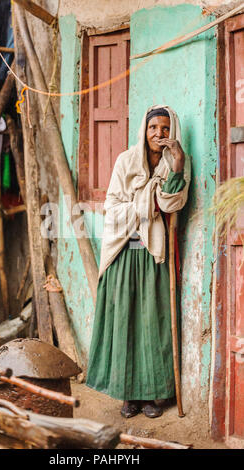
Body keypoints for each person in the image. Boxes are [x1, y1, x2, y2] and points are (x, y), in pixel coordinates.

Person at [86, 105, 191, 418]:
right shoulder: (125, 161)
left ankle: (152, 397)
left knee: (151, 324)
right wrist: (146, 202)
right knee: (124, 321)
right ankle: (127, 396)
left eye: (165, 129)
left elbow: (174, 201)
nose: (159, 135)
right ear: (143, 132)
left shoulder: (176, 162)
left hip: (153, 254)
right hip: (124, 252)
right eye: (153, 129)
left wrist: (179, 164)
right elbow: (113, 207)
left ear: (173, 133)